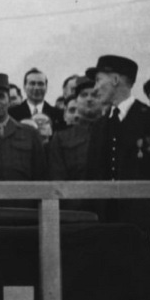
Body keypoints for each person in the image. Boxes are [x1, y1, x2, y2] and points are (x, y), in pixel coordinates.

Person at [84, 55, 150, 300]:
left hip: (145, 227)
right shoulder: (100, 125)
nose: (94, 88)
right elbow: (93, 175)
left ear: (115, 80)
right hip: (107, 225)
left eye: (98, 80)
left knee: (145, 287)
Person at [48, 76, 101, 209]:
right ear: (76, 101)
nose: (89, 99)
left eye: (95, 94)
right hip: (74, 209)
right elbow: (57, 178)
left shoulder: (113, 132)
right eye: (83, 95)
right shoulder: (61, 138)